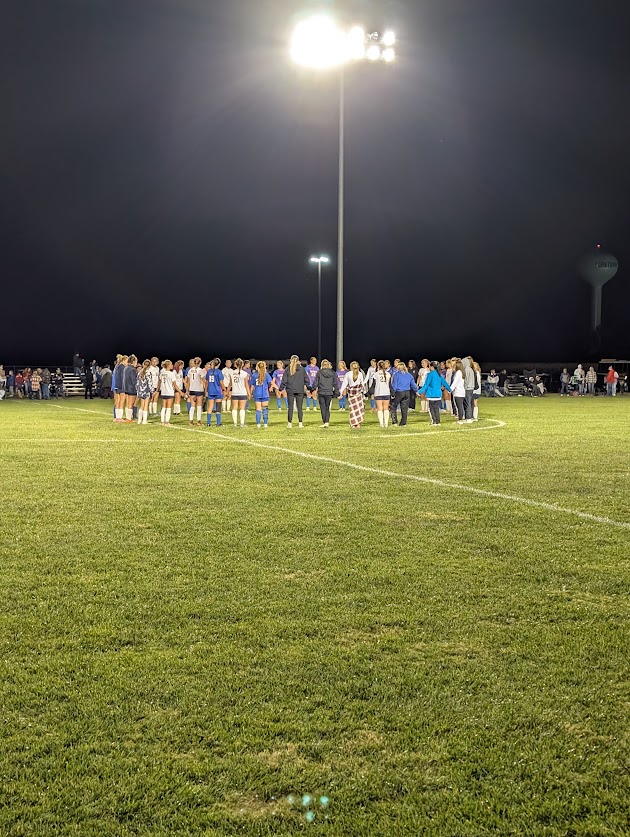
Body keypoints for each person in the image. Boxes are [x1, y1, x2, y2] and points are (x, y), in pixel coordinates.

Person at [418, 361, 452, 425]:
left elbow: (426, 385)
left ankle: (434, 422)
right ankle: (438, 422)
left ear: (432, 367)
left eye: (429, 366)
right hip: (438, 395)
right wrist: (449, 389)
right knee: (436, 409)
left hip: (431, 395)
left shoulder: (430, 374)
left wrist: (420, 392)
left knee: (431, 409)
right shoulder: (439, 374)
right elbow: (445, 383)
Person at [282, 355, 310, 428]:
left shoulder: (288, 369)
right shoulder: (302, 369)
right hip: (300, 390)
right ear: (298, 360)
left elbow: (284, 380)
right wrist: (308, 387)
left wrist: (280, 388)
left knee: (290, 407)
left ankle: (289, 423)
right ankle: (300, 423)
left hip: (290, 390)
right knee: (299, 407)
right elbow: (306, 379)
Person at [390, 362, 418, 428]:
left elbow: (394, 384)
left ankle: (394, 421)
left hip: (399, 392)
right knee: (404, 408)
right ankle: (403, 422)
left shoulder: (396, 374)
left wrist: (393, 393)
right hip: (407, 393)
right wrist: (417, 391)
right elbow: (413, 385)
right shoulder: (409, 375)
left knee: (393, 406)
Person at [339, 361, 366, 429]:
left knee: (352, 409)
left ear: (351, 367)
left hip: (351, 393)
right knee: (358, 409)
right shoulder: (360, 374)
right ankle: (358, 423)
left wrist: (341, 391)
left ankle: (353, 423)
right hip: (358, 393)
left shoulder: (348, 374)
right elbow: (362, 384)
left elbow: (344, 383)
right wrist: (364, 392)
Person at [312, 359, 338, 427]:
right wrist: (336, 392)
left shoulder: (319, 372)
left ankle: (324, 421)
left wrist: (312, 389)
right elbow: (335, 383)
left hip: (321, 392)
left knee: (322, 407)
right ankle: (327, 422)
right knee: (327, 407)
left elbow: (316, 382)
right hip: (329, 392)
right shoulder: (333, 373)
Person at [158, 359, 184, 426]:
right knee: (168, 407)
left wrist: (157, 390)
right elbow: (175, 385)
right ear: (168, 365)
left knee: (164, 407)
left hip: (163, 392)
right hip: (169, 392)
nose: (172, 365)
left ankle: (162, 421)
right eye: (171, 364)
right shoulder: (171, 374)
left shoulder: (162, 373)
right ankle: (167, 421)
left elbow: (159, 383)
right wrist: (181, 392)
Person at [229, 358, 251, 427]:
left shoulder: (232, 373)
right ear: (242, 365)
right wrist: (249, 393)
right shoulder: (245, 373)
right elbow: (246, 385)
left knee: (234, 408)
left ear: (235, 364)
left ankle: (235, 423)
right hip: (242, 392)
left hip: (234, 392)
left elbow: (230, 384)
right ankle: (242, 423)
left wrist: (227, 392)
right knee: (242, 408)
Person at [251, 361, 273, 428]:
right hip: (265, 394)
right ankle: (265, 424)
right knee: (265, 409)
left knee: (258, 409)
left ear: (257, 366)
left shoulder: (254, 375)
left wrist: (250, 393)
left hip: (257, 394)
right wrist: (271, 387)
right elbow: (270, 383)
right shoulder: (266, 374)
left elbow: (252, 385)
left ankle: (258, 424)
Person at [186, 358, 206, 426]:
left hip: (192, 389)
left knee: (192, 406)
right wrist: (206, 388)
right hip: (199, 389)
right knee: (199, 406)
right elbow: (204, 381)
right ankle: (198, 421)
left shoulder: (190, 370)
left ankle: (191, 421)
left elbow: (188, 382)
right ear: (200, 363)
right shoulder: (200, 370)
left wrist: (187, 390)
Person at [372, 360, 392, 428]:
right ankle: (386, 424)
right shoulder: (388, 374)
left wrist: (371, 392)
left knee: (379, 408)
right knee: (386, 408)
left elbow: (374, 384)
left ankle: (381, 424)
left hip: (378, 392)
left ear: (378, 366)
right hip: (386, 392)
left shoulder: (376, 374)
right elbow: (390, 384)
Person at [205, 359, 225, 427]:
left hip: (210, 391)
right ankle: (218, 423)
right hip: (217, 391)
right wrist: (224, 389)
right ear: (218, 364)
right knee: (218, 407)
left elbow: (207, 383)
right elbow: (221, 383)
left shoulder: (209, 371)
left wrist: (206, 391)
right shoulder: (219, 372)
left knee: (210, 407)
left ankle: (208, 423)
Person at [135, 359, 152, 424]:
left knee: (142, 405)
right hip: (146, 390)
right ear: (149, 366)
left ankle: (139, 420)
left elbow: (137, 383)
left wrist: (138, 390)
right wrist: (152, 391)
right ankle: (144, 420)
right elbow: (150, 383)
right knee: (145, 405)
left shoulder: (139, 373)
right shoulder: (148, 373)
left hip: (140, 391)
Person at [122, 354, 137, 419]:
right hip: (131, 388)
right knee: (131, 404)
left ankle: (128, 417)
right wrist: (137, 386)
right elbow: (134, 380)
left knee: (128, 404)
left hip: (126, 388)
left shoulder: (126, 368)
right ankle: (129, 418)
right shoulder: (133, 369)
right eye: (136, 361)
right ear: (133, 361)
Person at [113, 355, 127, 421]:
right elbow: (123, 378)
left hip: (117, 386)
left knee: (117, 402)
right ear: (123, 360)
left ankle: (117, 417)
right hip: (122, 386)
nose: (127, 363)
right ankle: (120, 417)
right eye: (127, 361)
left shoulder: (117, 367)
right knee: (121, 401)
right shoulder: (123, 367)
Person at [462, 356, 476, 422]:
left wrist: (464, 388)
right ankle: (469, 417)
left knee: (467, 403)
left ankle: (468, 418)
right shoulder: (470, 369)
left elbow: (466, 380)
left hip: (467, 388)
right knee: (469, 403)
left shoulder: (466, 370)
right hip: (471, 388)